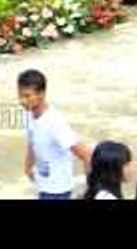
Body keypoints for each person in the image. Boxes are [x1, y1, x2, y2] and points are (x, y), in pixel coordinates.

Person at [17, 69, 91, 200]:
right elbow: (32, 143)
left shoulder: (55, 123)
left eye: (27, 96)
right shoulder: (29, 115)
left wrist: (91, 189)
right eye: (20, 95)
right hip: (42, 185)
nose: (22, 101)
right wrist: (27, 168)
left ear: (41, 94)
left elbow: (85, 154)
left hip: (59, 190)